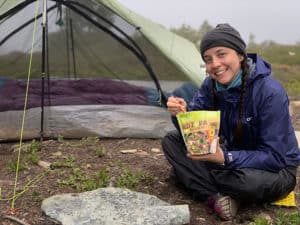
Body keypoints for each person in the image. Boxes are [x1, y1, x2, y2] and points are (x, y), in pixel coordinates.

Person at [161, 23, 300, 221]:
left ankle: (197, 182)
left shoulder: (270, 92)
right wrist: (181, 115)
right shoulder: (210, 85)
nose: (215, 64)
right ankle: (219, 196)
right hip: (231, 155)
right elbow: (195, 134)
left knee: (245, 182)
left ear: (240, 55)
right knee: (172, 140)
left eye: (221, 54)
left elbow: (274, 157)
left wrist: (224, 158)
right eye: (208, 59)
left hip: (275, 170)